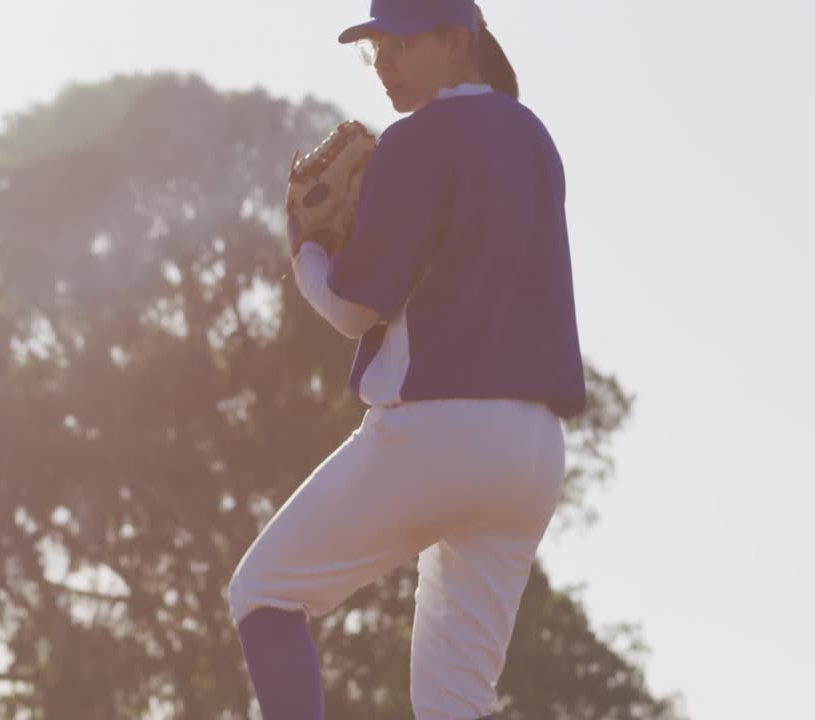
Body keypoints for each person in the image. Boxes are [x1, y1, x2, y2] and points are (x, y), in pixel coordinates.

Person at [227, 1, 588, 718]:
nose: (384, 64)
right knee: (456, 701)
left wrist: (309, 253)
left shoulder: (418, 137)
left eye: (398, 45)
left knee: (265, 593)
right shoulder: (534, 138)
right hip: (534, 454)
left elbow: (353, 309)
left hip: (441, 431)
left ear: (458, 41)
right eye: (374, 50)